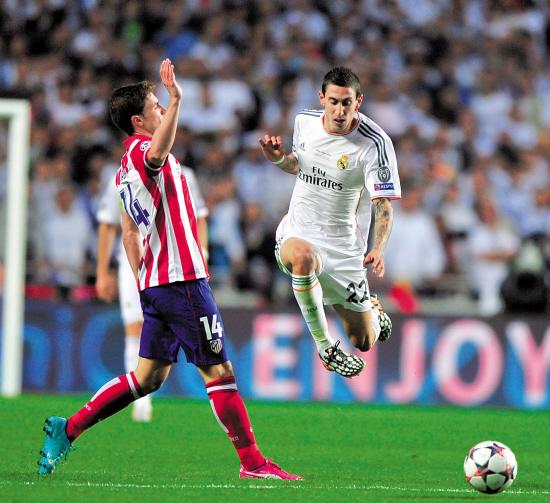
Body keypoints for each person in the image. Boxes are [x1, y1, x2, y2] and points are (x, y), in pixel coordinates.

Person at [38, 59, 302, 481]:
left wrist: (145, 280)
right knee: (219, 372)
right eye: (156, 106)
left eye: (164, 104)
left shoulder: (122, 173)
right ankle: (253, 463)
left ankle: (67, 429)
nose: (162, 109)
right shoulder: (143, 153)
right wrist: (178, 99)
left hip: (159, 282)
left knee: (147, 378)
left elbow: (129, 234)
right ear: (139, 121)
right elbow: (157, 154)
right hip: (180, 280)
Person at [259, 67, 400, 378]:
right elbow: (300, 166)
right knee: (302, 257)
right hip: (298, 231)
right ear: (321, 98)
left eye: (346, 103)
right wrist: (278, 158)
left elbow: (383, 205)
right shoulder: (304, 122)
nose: (339, 111)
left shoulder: (375, 143)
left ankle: (373, 311)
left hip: (343, 247)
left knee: (364, 340)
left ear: (358, 102)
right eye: (333, 102)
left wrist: (378, 247)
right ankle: (326, 348)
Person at [95, 161, 209, 422]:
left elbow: (200, 216)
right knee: (135, 325)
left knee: (183, 328)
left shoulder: (184, 173)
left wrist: (202, 253)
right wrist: (102, 271)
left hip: (176, 262)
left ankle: (206, 385)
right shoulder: (122, 176)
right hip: (134, 258)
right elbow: (108, 223)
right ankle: (141, 402)